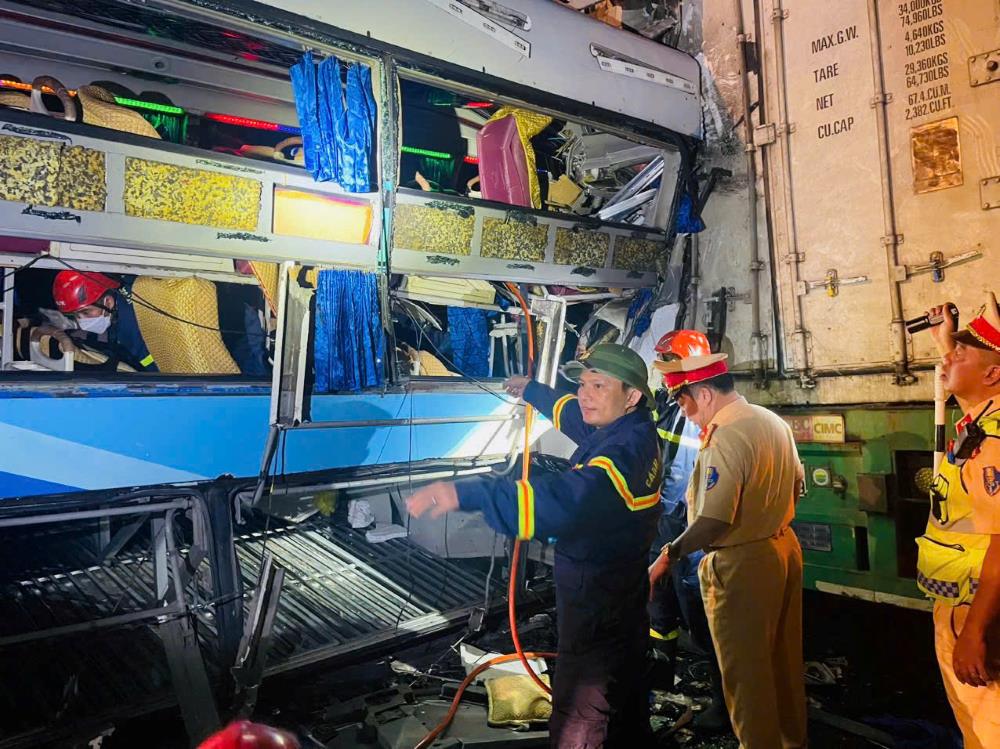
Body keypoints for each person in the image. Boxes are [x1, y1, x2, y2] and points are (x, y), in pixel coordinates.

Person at [407, 343, 662, 748]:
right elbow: (577, 417)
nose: (585, 394)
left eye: (598, 385)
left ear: (631, 396)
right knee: (627, 688)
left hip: (596, 597)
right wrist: (533, 390)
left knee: (582, 706)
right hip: (625, 589)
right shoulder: (635, 428)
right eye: (582, 384)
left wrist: (467, 493)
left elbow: (559, 502)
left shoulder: (619, 457)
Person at [649, 353, 807, 749]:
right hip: (782, 548)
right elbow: (798, 488)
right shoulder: (771, 421)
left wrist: (671, 552)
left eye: (684, 402)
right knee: (782, 661)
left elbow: (714, 520)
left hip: (741, 564)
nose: (685, 414)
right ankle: (793, 741)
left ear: (703, 394)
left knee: (745, 673)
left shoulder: (726, 435)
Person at [917, 294, 1000, 748]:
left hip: (977, 611)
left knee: (989, 730)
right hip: (962, 604)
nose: (947, 360)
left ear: (993, 374)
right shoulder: (982, 419)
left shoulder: (993, 440)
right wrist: (948, 342)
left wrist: (974, 634)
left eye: (960, 355)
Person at [647, 329, 730, 732]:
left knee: (703, 613)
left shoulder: (703, 410)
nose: (663, 375)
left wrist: (661, 516)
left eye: (668, 365)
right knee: (660, 603)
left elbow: (685, 476)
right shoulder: (674, 405)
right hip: (670, 521)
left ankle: (725, 702)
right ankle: (661, 670)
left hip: (689, 525)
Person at [42, 269, 157, 371]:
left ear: (108, 302)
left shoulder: (130, 329)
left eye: (86, 312)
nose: (81, 322)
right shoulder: (121, 292)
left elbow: (155, 371)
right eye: (75, 315)